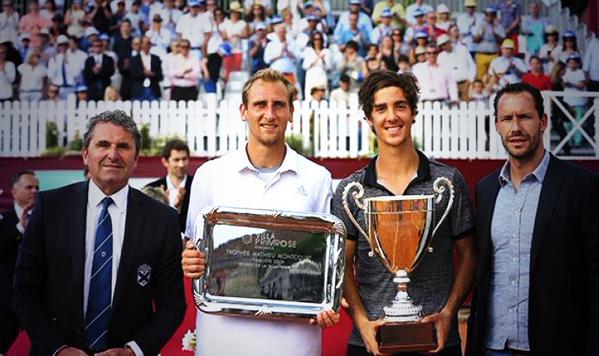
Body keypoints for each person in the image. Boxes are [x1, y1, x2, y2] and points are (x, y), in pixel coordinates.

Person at [181, 68, 340, 356]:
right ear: (243, 111)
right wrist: (191, 260)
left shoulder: (317, 178)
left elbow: (322, 264)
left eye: (278, 105)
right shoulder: (209, 175)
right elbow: (195, 250)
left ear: (291, 112)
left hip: (294, 344)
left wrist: (325, 301)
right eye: (259, 105)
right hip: (222, 342)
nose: (270, 113)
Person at [13, 110, 186, 355]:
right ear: (86, 154)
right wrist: (57, 348)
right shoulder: (50, 208)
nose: (112, 154)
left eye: (123, 146)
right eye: (103, 144)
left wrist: (134, 351)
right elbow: (25, 290)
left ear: (136, 159)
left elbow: (173, 304)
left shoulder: (162, 219)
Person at [332, 70, 476, 356]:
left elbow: (470, 254)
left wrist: (448, 313)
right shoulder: (352, 190)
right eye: (381, 108)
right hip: (371, 343)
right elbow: (342, 264)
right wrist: (362, 322)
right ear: (369, 118)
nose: (392, 116)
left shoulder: (447, 182)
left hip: (437, 340)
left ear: (413, 112)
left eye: (400, 105)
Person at [466, 82, 599, 355]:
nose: (516, 127)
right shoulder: (486, 189)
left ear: (543, 121)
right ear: (498, 125)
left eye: (525, 116)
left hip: (557, 345)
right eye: (507, 118)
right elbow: (483, 275)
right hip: (493, 347)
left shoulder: (581, 187)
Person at [0, 171, 39, 355]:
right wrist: (20, 228)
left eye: (37, 187)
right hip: (5, 302)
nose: (34, 191)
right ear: (14, 192)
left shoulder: (43, 219)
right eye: (29, 187)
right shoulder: (4, 221)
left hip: (34, 301)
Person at [144, 139, 193, 231]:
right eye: (176, 160)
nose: (181, 164)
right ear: (165, 161)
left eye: (184, 159)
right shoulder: (152, 189)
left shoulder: (197, 187)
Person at [437, 34, 476, 101]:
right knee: (454, 108)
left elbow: (472, 65)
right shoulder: (441, 56)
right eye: (441, 46)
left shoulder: (462, 49)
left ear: (449, 42)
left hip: (466, 83)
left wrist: (470, 80)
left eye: (444, 44)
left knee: (468, 106)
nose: (443, 47)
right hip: (451, 86)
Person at [129, 36, 163, 101]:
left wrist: (152, 74)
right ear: (141, 45)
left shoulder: (156, 58)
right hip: (138, 90)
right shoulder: (135, 59)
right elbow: (132, 74)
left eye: (148, 43)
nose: (146, 46)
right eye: (144, 43)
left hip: (153, 90)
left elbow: (160, 75)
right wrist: (143, 73)